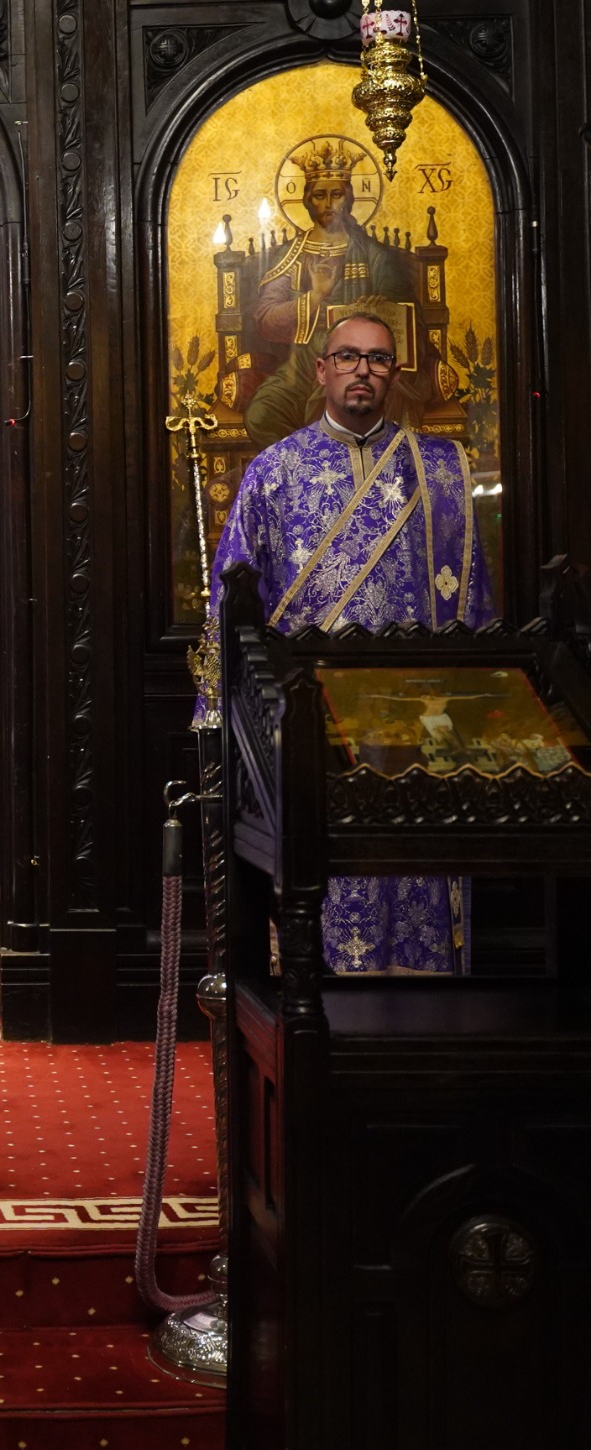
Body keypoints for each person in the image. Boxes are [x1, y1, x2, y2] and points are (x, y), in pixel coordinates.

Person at [203, 309, 493, 975]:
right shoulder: (273, 473)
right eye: (349, 357)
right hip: (313, 728)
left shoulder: (439, 470)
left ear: (394, 373)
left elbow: (471, 601)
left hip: (419, 724)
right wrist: (221, 713)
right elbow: (232, 602)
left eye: (379, 358)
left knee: (411, 876)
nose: (363, 370)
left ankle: (422, 1020)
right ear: (322, 370)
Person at [243, 139, 431, 448]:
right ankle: (309, 466)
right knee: (261, 414)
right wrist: (315, 296)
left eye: (337, 194)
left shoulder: (373, 255)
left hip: (363, 363)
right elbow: (265, 320)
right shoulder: (291, 256)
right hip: (303, 365)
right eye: (320, 195)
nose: (329, 203)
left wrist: (379, 311)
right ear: (308, 201)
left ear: (349, 199)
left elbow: (408, 319)